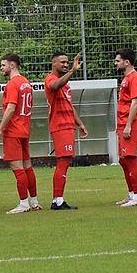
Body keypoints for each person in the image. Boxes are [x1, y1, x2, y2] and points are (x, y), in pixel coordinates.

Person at [0, 53, 39, 214]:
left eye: (3, 65)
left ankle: (23, 204)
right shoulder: (26, 82)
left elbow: (11, 108)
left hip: (13, 130)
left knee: (17, 166)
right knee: (27, 166)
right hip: (25, 128)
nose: (1, 68)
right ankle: (34, 201)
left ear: (12, 65)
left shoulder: (13, 84)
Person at [44, 52, 88, 210]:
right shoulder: (51, 79)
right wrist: (73, 71)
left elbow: (69, 105)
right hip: (60, 126)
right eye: (62, 62)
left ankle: (58, 200)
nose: (66, 64)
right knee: (63, 161)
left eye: (67, 62)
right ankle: (58, 201)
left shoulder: (66, 84)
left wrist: (80, 123)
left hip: (68, 125)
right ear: (53, 63)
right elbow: (54, 86)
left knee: (65, 161)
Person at [114, 48, 137, 207]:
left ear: (127, 62)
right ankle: (132, 194)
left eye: (118, 60)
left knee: (130, 159)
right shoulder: (126, 78)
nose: (115, 63)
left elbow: (135, 102)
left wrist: (128, 125)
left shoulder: (134, 78)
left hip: (131, 125)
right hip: (122, 124)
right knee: (122, 160)